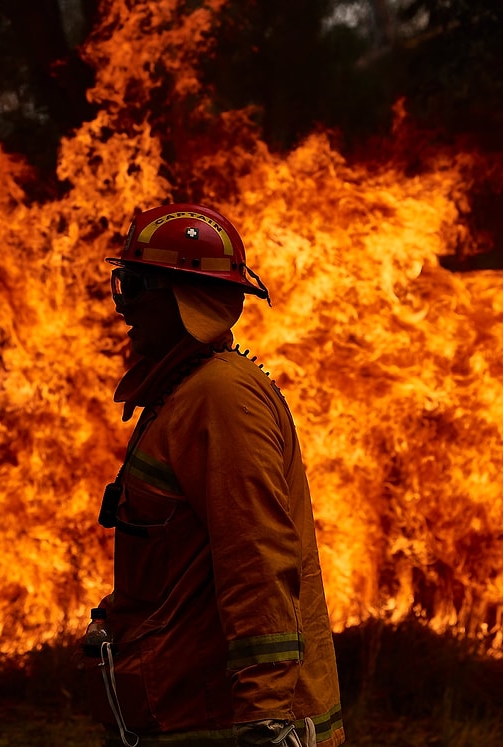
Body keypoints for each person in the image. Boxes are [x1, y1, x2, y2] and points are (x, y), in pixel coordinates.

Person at [86, 203, 345, 747]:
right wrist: (118, 617)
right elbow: (176, 556)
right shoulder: (182, 393)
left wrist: (266, 720)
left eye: (133, 286)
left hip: (221, 724)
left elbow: (257, 561)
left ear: (177, 297)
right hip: (183, 711)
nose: (123, 306)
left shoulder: (221, 399)